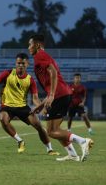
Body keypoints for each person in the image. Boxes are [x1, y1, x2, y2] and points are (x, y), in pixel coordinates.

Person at [0, 53, 58, 155]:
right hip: (7, 106)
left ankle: (49, 149)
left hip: (22, 107)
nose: (21, 65)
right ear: (15, 63)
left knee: (39, 126)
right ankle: (19, 141)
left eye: (23, 63)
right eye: (19, 63)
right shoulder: (8, 73)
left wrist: (41, 107)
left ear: (27, 64)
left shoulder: (30, 80)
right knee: (2, 118)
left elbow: (35, 98)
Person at [28, 34, 93, 162]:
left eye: (30, 45)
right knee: (54, 129)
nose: (28, 48)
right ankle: (73, 155)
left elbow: (52, 72)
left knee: (51, 131)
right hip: (62, 94)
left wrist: (52, 95)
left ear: (37, 45)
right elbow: (51, 80)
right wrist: (41, 105)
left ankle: (83, 141)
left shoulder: (40, 55)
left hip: (59, 95)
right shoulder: (44, 56)